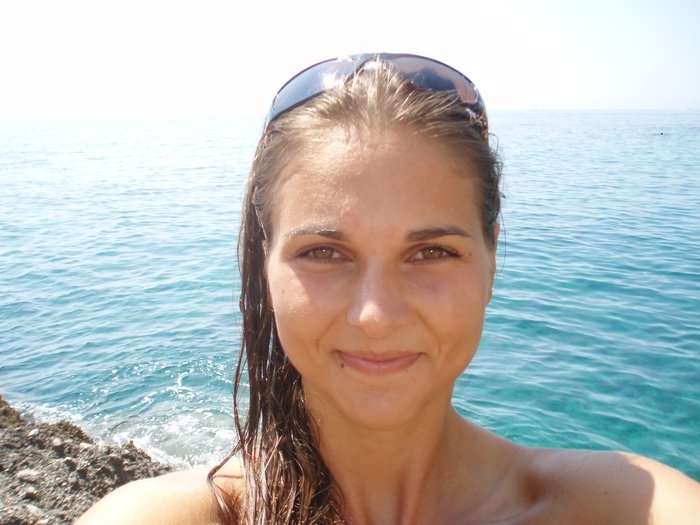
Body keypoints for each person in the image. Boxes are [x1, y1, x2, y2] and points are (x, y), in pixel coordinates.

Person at [77, 53, 700, 524]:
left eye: (431, 252)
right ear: (264, 266)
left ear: (491, 259)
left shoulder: (630, 507)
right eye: (324, 253)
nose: (375, 314)